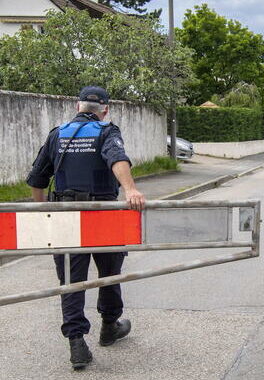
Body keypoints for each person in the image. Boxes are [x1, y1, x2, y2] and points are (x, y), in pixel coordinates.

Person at [26, 86, 145, 370]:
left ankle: (77, 344)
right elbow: (117, 158)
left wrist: (45, 213)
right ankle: (109, 326)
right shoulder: (106, 131)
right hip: (101, 214)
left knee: (71, 279)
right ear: (105, 109)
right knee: (109, 273)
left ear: (77, 107)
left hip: (65, 215)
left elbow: (36, 180)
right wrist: (131, 190)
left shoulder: (57, 134)